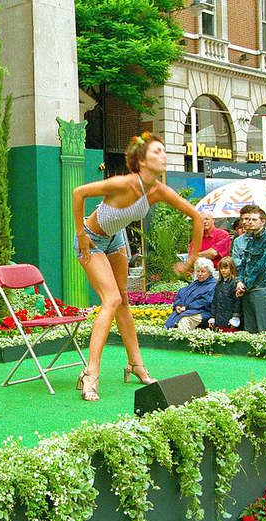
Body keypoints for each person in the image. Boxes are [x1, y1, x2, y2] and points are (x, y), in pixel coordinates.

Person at [71, 132, 204, 401]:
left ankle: (136, 364)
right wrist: (81, 233)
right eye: (156, 152)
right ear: (141, 161)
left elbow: (197, 217)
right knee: (110, 299)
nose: (163, 155)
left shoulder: (157, 191)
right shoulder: (122, 183)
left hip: (116, 239)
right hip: (91, 240)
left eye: (163, 151)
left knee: (123, 302)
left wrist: (191, 261)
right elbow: (78, 192)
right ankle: (91, 373)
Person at [234, 206, 266, 332]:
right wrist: (239, 281)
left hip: (260, 289)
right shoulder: (251, 239)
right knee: (250, 330)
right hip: (247, 290)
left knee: (265, 330)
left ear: (262, 221)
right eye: (248, 219)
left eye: (254, 219)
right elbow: (243, 264)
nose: (249, 222)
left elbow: (263, 266)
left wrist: (244, 285)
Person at [165, 258, 217, 330]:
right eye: (198, 271)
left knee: (184, 320)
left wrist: (186, 307)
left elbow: (205, 302)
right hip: (188, 310)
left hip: (203, 312)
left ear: (210, 272)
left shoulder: (213, 285)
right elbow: (182, 294)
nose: (199, 274)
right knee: (171, 320)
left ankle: (182, 340)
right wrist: (178, 305)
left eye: (203, 271)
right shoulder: (195, 283)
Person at [208, 256, 241, 330]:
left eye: (226, 268)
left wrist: (235, 317)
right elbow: (214, 301)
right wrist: (212, 317)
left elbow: (237, 302)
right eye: (221, 268)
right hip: (218, 318)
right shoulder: (219, 284)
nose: (223, 270)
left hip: (230, 319)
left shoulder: (234, 283)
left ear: (231, 269)